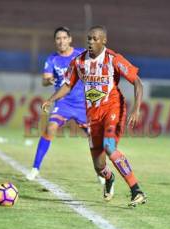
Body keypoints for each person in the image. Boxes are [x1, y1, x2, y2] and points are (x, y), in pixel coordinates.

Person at [42, 25, 147, 207]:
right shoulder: (79, 62)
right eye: (89, 38)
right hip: (93, 116)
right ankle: (109, 178)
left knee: (109, 146)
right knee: (99, 167)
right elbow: (68, 85)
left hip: (113, 109)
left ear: (104, 41)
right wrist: (51, 99)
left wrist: (136, 109)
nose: (90, 42)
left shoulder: (114, 59)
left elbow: (137, 82)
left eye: (95, 39)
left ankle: (136, 190)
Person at [26, 27, 93, 181]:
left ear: (70, 39)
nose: (61, 41)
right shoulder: (52, 59)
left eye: (64, 38)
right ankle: (35, 168)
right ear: (55, 41)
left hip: (82, 103)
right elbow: (45, 79)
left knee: (95, 139)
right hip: (63, 102)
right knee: (50, 128)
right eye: (58, 38)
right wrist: (48, 80)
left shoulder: (81, 54)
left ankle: (102, 173)